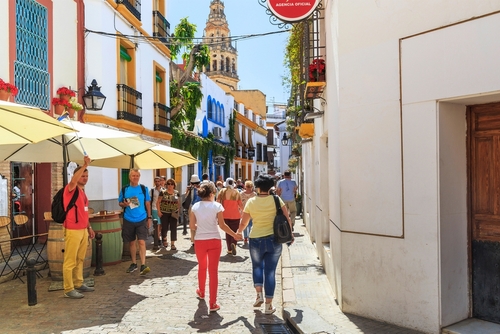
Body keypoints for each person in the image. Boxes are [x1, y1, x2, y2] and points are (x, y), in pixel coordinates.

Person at [236, 174, 293, 314]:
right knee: (270, 272)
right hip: (274, 239)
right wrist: (290, 234)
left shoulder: (251, 202)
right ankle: (268, 305)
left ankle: (259, 295)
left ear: (258, 187)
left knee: (257, 267)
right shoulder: (276, 199)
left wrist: (239, 232)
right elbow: (287, 218)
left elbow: (244, 222)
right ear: (270, 187)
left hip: (255, 239)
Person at [189, 182, 242, 312]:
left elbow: (192, 226)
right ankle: (213, 303)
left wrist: (201, 227)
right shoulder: (217, 206)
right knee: (213, 272)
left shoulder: (195, 207)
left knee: (202, 267)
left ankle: (201, 291)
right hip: (214, 240)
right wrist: (234, 235)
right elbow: (222, 226)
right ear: (212, 193)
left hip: (200, 240)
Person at [62, 155, 96, 299]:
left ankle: (78, 282)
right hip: (72, 229)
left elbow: (85, 211)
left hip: (82, 229)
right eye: (83, 175)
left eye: (87, 175)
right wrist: (84, 165)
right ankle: (68, 288)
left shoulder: (83, 192)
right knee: (70, 260)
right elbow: (74, 180)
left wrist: (89, 227)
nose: (85, 177)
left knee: (80, 259)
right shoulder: (71, 189)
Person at [119, 169, 152, 275]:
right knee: (132, 242)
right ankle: (133, 263)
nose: (135, 177)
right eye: (133, 175)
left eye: (137, 175)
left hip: (142, 218)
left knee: (141, 241)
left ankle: (143, 264)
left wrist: (149, 217)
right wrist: (124, 204)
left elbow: (147, 203)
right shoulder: (125, 189)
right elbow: (120, 202)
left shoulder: (143, 188)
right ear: (130, 177)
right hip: (128, 218)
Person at [216, 177, 243, 255]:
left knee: (228, 232)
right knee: (235, 231)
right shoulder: (237, 193)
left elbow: (217, 203)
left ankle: (229, 249)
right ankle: (234, 243)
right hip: (235, 215)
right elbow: (240, 205)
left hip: (224, 215)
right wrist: (245, 212)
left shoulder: (222, 192)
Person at [157, 178, 181, 250]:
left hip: (174, 212)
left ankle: (173, 244)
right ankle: (164, 239)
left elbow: (178, 202)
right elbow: (158, 202)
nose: (170, 185)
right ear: (166, 185)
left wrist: (178, 211)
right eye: (168, 184)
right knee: (164, 227)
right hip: (164, 212)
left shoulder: (177, 192)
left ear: (174, 185)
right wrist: (159, 211)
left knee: (174, 228)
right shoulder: (163, 192)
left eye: (172, 184)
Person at [184, 174, 202, 245]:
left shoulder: (199, 188)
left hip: (196, 207)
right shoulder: (195, 188)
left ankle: (196, 238)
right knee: (195, 223)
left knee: (195, 222)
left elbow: (186, 197)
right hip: (196, 207)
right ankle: (196, 238)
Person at [240, 180, 257, 244]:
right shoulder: (254, 194)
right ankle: (250, 237)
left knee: (244, 224)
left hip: (244, 211)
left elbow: (240, 203)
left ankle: (245, 237)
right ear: (252, 187)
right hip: (252, 211)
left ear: (245, 186)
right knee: (250, 224)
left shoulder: (241, 194)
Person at [151, 176, 164, 251]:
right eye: (156, 181)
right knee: (157, 224)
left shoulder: (163, 190)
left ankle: (158, 235)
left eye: (158, 181)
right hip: (154, 209)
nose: (157, 182)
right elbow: (150, 200)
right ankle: (158, 239)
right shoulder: (152, 190)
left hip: (162, 209)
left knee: (161, 225)